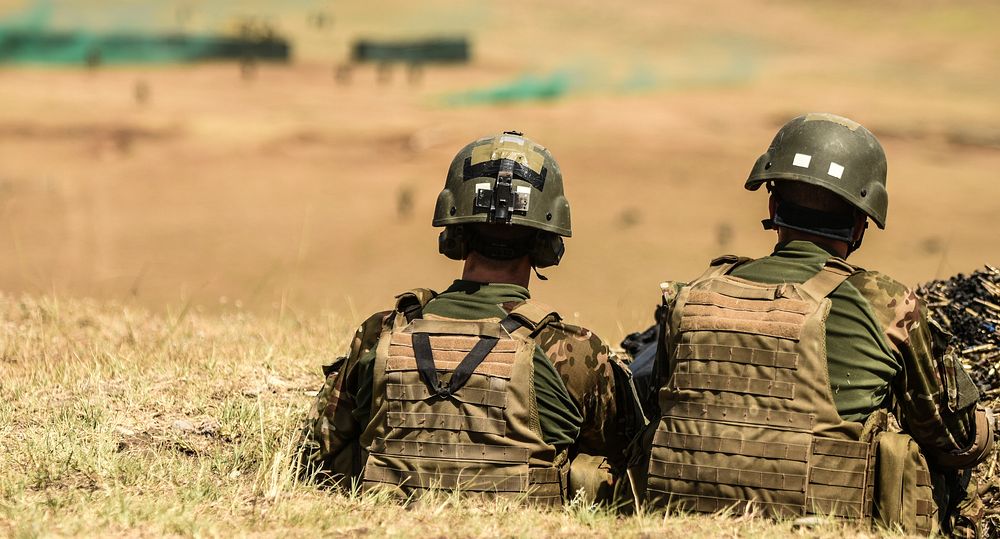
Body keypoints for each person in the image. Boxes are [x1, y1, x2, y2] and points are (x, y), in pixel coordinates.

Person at [642, 113, 994, 536]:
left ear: (773, 206)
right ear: (862, 222)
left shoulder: (693, 294)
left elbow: (656, 402)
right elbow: (953, 440)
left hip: (677, 519)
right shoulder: (886, 303)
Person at [299, 131, 644, 505]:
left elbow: (321, 452)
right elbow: (626, 454)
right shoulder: (571, 350)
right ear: (547, 242)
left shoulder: (381, 332)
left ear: (455, 233)